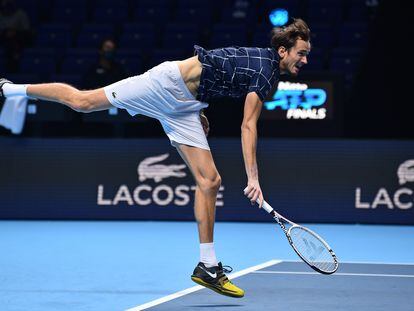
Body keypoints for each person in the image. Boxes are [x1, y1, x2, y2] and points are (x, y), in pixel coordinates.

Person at [0, 18, 311, 298]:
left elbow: (218, 69)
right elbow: (247, 126)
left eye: (307, 54)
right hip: (164, 85)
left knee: (210, 181)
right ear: (283, 51)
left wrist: (199, 108)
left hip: (187, 106)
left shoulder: (265, 65)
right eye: (301, 53)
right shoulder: (266, 71)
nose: (305, 59)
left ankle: (207, 265)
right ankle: (11, 89)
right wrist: (253, 178)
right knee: (83, 102)